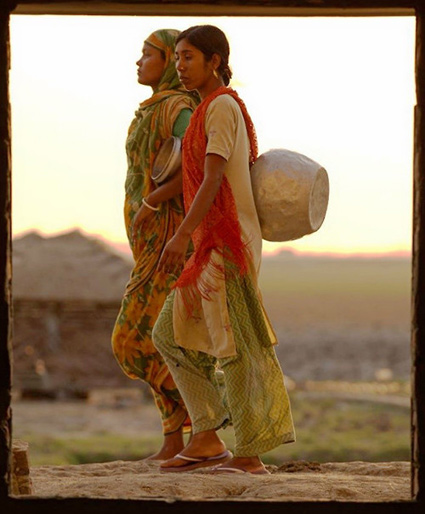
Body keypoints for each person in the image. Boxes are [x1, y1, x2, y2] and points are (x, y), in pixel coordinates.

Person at [152, 25, 295, 474]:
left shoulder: (222, 107)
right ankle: (208, 437)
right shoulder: (203, 110)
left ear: (215, 61)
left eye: (189, 56)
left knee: (233, 346)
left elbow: (213, 179)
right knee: (170, 335)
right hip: (207, 244)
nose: (180, 65)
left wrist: (179, 236)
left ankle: (249, 455)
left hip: (225, 243)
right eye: (176, 57)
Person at [111, 29, 199, 460]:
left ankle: (211, 417)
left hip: (170, 240)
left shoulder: (177, 109)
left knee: (133, 340)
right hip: (149, 242)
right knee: (160, 342)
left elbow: (198, 165)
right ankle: (173, 443)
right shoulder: (152, 109)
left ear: (166, 63)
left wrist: (152, 200)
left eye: (148, 54)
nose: (138, 61)